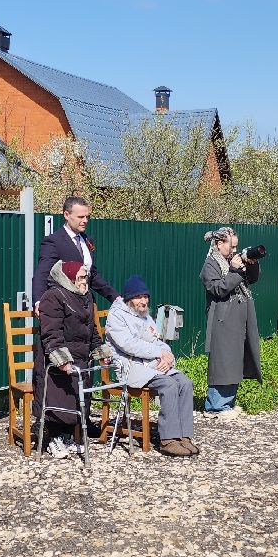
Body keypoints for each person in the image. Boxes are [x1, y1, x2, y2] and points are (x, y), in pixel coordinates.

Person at [105, 275, 196, 457]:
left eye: (146, 297)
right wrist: (158, 353)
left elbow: (157, 340)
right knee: (169, 385)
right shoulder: (116, 316)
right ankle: (168, 440)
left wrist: (167, 355)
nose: (144, 301)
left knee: (185, 383)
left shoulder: (144, 315)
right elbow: (129, 345)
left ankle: (184, 436)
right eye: (139, 297)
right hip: (131, 367)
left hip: (153, 364)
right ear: (129, 298)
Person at [35, 260, 103, 458]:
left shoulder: (85, 296)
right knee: (64, 384)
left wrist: (101, 353)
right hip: (55, 358)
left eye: (85, 277)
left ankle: (69, 436)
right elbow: (51, 333)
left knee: (83, 379)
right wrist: (62, 360)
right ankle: (53, 437)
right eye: (80, 278)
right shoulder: (53, 297)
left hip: (81, 357)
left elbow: (93, 333)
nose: (84, 281)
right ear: (68, 278)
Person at [201, 227, 261, 415]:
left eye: (236, 246)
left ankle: (228, 403)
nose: (235, 250)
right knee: (223, 362)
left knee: (235, 360)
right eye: (231, 246)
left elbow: (252, 279)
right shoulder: (210, 264)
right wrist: (235, 271)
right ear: (219, 244)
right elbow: (218, 289)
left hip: (238, 318)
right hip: (222, 319)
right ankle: (216, 406)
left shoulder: (232, 261)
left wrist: (250, 264)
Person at [32, 195, 119, 310]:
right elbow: (42, 273)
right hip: (64, 309)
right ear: (66, 215)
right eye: (81, 217)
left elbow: (92, 275)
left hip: (86, 307)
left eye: (87, 217)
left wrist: (116, 298)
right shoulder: (54, 241)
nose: (85, 221)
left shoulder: (86, 240)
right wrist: (39, 302)